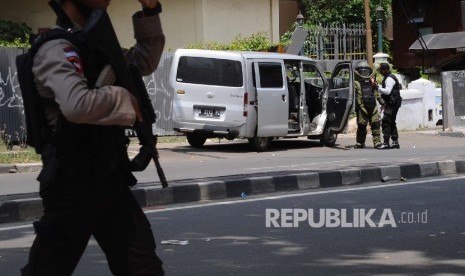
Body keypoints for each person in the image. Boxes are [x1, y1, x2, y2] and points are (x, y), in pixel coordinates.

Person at [21, 0, 165, 275]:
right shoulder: (57, 48)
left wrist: (150, 10)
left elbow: (143, 61)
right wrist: (125, 99)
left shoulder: (95, 45)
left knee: (143, 267)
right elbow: (77, 105)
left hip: (110, 179)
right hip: (72, 184)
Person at [372, 62, 402, 149]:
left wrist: (377, 88)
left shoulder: (389, 78)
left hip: (392, 104)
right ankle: (395, 142)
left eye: (381, 70)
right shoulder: (388, 78)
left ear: (385, 69)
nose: (380, 72)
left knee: (386, 122)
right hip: (393, 103)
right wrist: (378, 86)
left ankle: (386, 143)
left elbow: (388, 91)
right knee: (392, 122)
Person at [353, 61, 383, 149]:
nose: (364, 73)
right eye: (362, 71)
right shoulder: (356, 83)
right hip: (362, 108)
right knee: (362, 126)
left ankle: (377, 142)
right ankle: (360, 142)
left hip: (373, 107)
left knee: (376, 125)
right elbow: (353, 96)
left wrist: (381, 100)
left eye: (366, 71)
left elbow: (376, 93)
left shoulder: (372, 82)